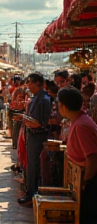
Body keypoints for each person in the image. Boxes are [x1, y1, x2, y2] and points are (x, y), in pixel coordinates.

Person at [58, 87, 97, 224]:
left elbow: (92, 160)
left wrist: (84, 183)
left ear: (63, 105)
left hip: (90, 185)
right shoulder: (79, 121)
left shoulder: (81, 125)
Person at [18, 73, 51, 205]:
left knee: (34, 166)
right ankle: (31, 192)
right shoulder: (37, 98)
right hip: (33, 135)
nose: (28, 85)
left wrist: (24, 119)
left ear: (37, 83)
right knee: (31, 166)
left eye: (30, 82)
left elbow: (39, 122)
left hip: (38, 135)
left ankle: (32, 194)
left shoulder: (43, 99)